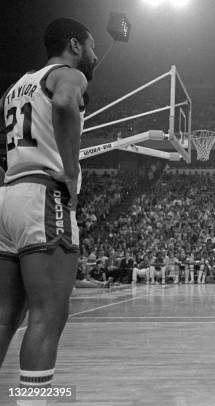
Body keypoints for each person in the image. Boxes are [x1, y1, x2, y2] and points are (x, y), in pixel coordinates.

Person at [0, 17, 97, 395]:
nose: (93, 55)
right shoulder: (68, 75)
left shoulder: (15, 87)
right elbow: (63, 102)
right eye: (90, 47)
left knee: (6, 316)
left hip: (9, 195)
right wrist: (71, 171)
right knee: (49, 313)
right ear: (74, 45)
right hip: (43, 196)